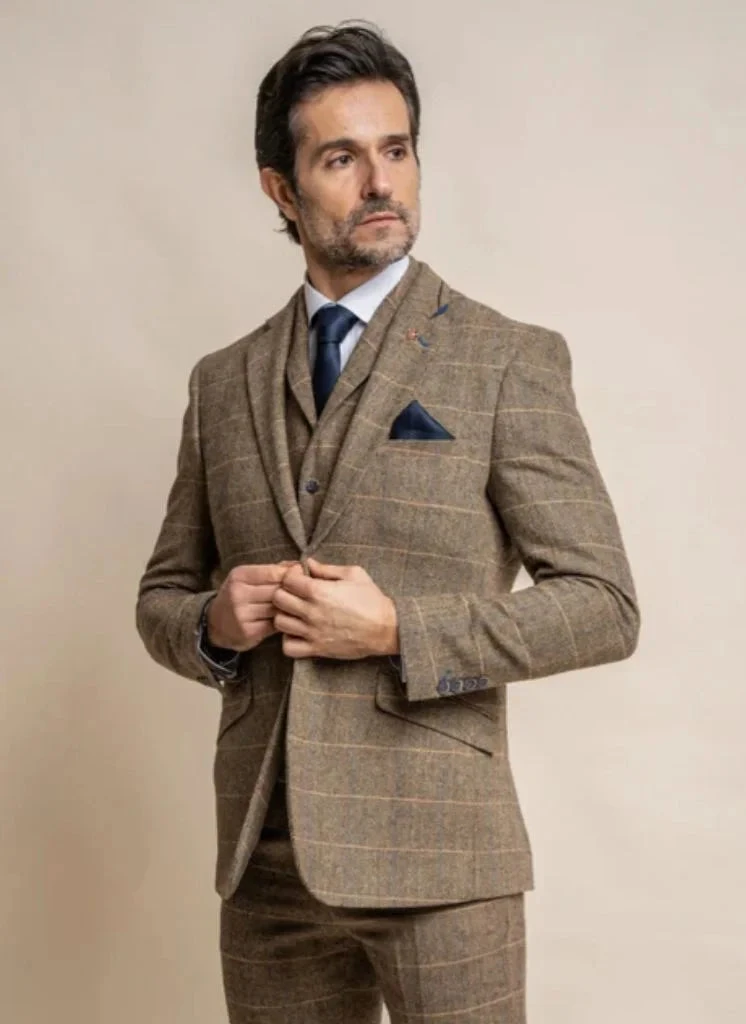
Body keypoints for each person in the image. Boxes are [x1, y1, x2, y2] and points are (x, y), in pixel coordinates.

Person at [135, 20, 640, 1024]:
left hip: (442, 860)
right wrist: (212, 624)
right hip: (265, 863)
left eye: (396, 150)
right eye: (340, 158)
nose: (380, 182)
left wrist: (400, 629)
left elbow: (603, 605)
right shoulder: (222, 381)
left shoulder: (506, 358)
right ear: (281, 189)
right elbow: (161, 597)